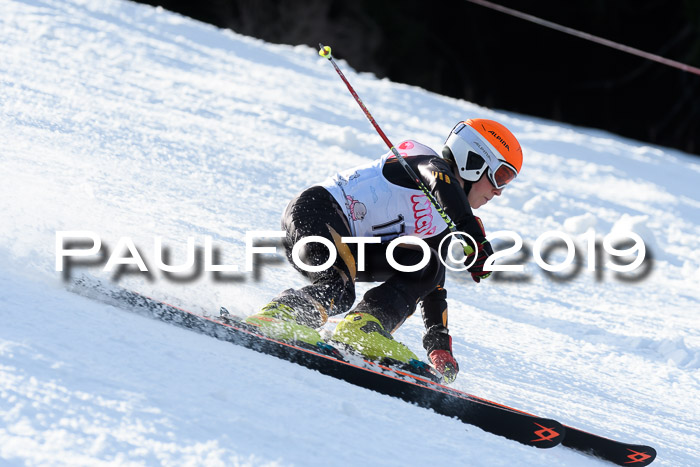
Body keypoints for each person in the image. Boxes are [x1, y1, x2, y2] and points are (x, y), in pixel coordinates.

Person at [245, 118, 523, 383]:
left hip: (352, 249)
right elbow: (441, 182)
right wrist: (471, 235)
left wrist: (438, 342)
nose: (499, 191)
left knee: (429, 264)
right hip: (314, 215)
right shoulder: (424, 162)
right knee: (339, 291)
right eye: (500, 176)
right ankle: (279, 316)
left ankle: (362, 329)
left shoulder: (444, 220)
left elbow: (432, 285)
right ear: (474, 161)